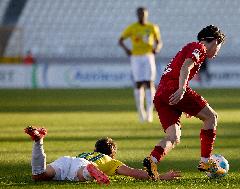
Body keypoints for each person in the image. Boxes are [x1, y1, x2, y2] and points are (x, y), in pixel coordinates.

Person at [142, 25, 226, 180]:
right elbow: (186, 67)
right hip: (173, 89)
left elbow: (180, 68)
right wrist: (181, 90)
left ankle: (152, 160)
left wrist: (185, 103)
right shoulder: (199, 47)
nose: (217, 52)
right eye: (219, 47)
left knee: (173, 136)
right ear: (214, 41)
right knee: (211, 117)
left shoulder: (189, 47)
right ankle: (206, 162)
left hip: (161, 94)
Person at [25, 126, 181, 184]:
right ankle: (89, 172)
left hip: (67, 160)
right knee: (81, 175)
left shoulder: (87, 153)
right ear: (112, 154)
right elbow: (135, 173)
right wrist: (161, 176)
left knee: (39, 175)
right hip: (82, 166)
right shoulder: (111, 161)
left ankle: (38, 142)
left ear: (95, 149)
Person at [118, 7, 162, 123]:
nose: (142, 16)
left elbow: (159, 42)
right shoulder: (132, 28)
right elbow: (120, 40)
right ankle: (140, 112)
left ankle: (149, 113)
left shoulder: (152, 27)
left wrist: (156, 48)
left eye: (143, 14)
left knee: (149, 83)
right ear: (137, 15)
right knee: (138, 83)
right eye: (140, 14)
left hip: (148, 56)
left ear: (146, 15)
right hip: (136, 57)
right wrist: (127, 50)